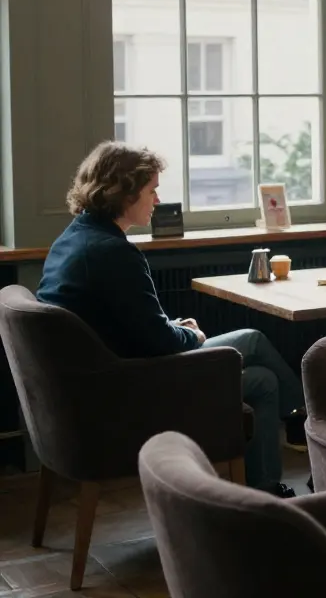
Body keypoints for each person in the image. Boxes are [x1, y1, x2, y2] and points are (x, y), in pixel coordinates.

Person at [37, 142, 304, 497]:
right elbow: (159, 342)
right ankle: (303, 420)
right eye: (152, 190)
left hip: (97, 385)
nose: (157, 200)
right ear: (124, 193)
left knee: (260, 374)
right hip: (134, 391)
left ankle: (275, 470)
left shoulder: (73, 239)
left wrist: (175, 328)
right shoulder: (113, 253)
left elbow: (129, 324)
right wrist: (189, 335)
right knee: (255, 352)